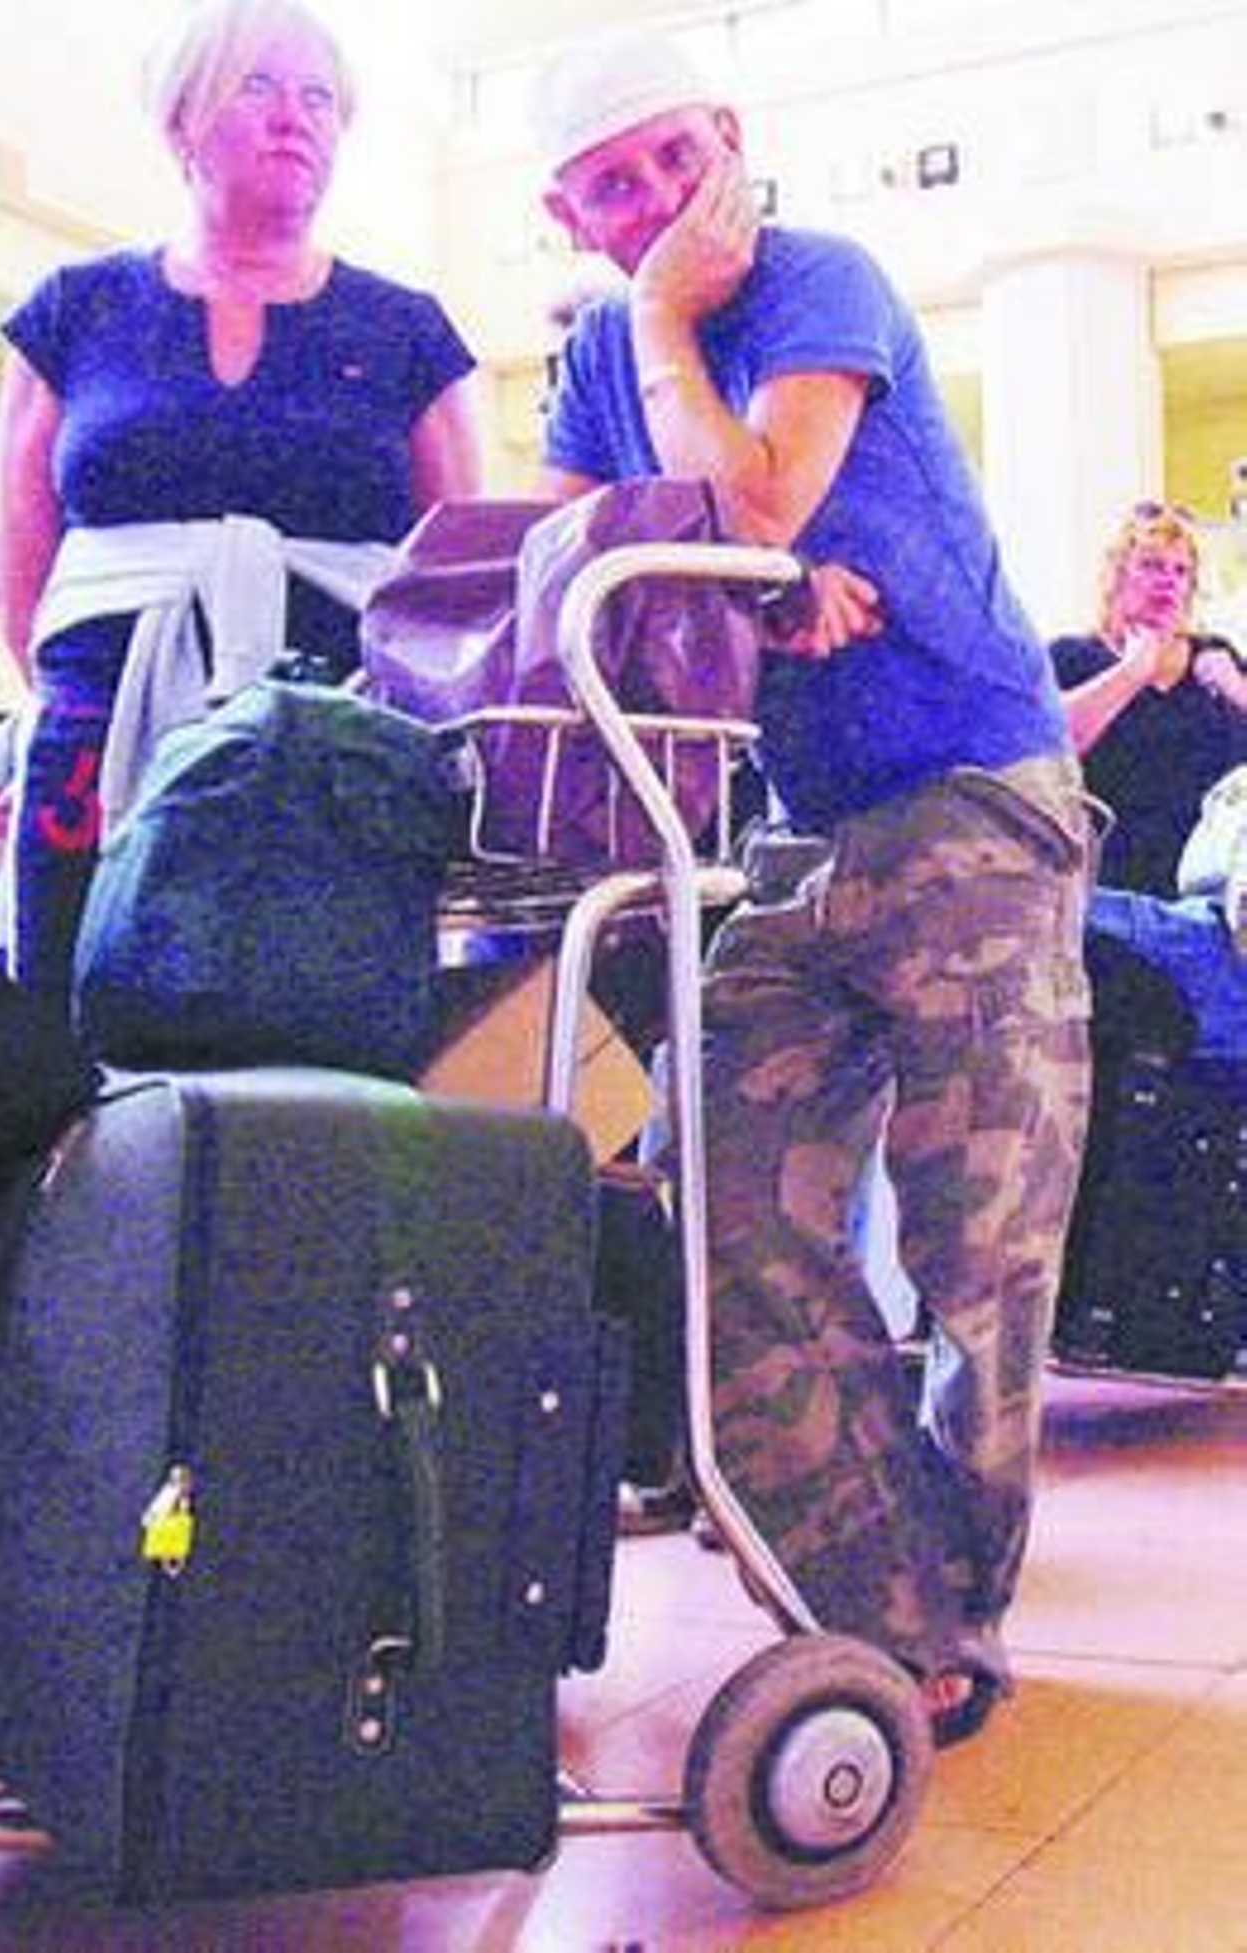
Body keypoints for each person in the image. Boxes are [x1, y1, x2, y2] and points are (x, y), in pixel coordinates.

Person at [530, 30, 1094, 1742]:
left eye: (668, 162)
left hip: (972, 797)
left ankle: (948, 1627)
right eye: (608, 185)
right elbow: (589, 556)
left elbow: (757, 490)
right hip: (790, 831)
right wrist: (756, 579)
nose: (647, 203)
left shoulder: (814, 278)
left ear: (729, 148)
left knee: (978, 1246)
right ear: (563, 210)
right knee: (723, 1194)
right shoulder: (589, 356)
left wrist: (666, 337)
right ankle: (882, 1596)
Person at [0, 0, 481, 1007]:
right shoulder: (74, 312)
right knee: (67, 1007)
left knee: (310, 1011)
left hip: (336, 742)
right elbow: (19, 569)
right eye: (257, 85)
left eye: (319, 99)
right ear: (182, 121)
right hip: (97, 733)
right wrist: (75, 699)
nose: (293, 117)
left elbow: (462, 580)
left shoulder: (408, 331)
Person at [1052, 501, 1247, 896]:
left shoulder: (1216, 657)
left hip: (1213, 895)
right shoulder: (1073, 657)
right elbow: (1045, 749)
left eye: (1180, 571)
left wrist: (1236, 690)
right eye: (1151, 565)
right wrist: (1131, 673)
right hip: (1108, 895)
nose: (1168, 581)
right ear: (1116, 576)